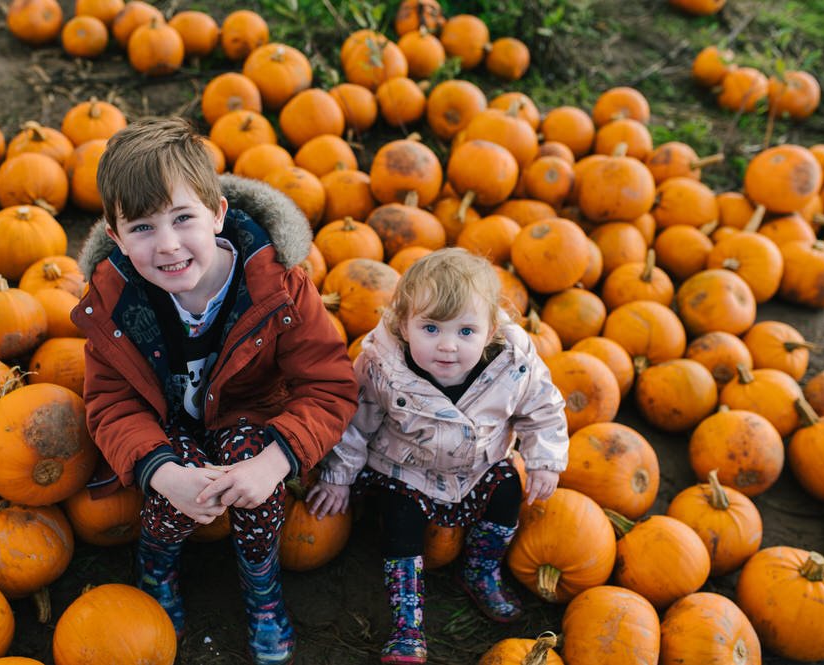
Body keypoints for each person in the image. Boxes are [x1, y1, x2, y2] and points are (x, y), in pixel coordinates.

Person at [71, 117, 358, 665]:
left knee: (255, 475)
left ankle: (261, 584)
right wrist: (164, 472)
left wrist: (276, 462)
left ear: (218, 213)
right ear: (115, 235)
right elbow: (111, 403)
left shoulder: (277, 288)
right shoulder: (115, 304)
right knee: (171, 488)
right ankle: (157, 565)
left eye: (184, 219)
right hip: (169, 428)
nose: (169, 245)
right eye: (143, 229)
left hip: (249, 422)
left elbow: (329, 386)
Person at [306, 248, 569, 664]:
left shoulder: (514, 363)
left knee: (507, 492)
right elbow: (356, 420)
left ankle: (480, 570)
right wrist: (338, 475)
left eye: (466, 332)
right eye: (430, 328)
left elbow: (542, 408)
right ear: (403, 324)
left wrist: (544, 459)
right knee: (400, 519)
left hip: (480, 465)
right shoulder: (381, 364)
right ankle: (406, 619)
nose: (448, 346)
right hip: (405, 469)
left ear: (491, 329)